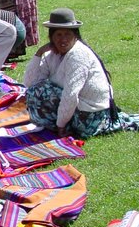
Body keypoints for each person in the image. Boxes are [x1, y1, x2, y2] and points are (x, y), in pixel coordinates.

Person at [22, 8, 114, 138]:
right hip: (77, 109)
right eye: (58, 35)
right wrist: (38, 54)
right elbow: (29, 83)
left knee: (41, 92)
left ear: (75, 36)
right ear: (51, 37)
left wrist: (60, 126)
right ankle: (62, 123)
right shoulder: (52, 54)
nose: (63, 40)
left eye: (67, 34)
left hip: (91, 116)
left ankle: (64, 125)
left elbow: (71, 94)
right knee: (35, 91)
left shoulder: (77, 55)